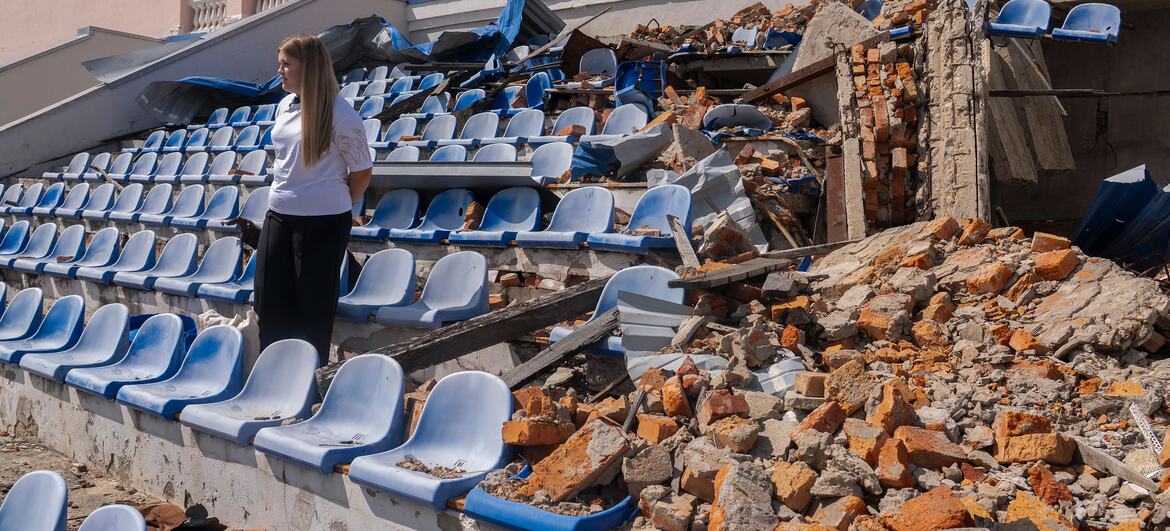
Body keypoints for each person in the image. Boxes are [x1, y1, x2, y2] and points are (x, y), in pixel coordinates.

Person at [254, 34, 373, 365]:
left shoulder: (342, 114)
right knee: (269, 301)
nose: (280, 71)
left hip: (323, 223)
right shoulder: (284, 105)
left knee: (312, 308)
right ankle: (274, 375)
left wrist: (333, 203)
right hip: (279, 214)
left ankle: (309, 381)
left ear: (308, 68)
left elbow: (362, 171)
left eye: (286, 64)